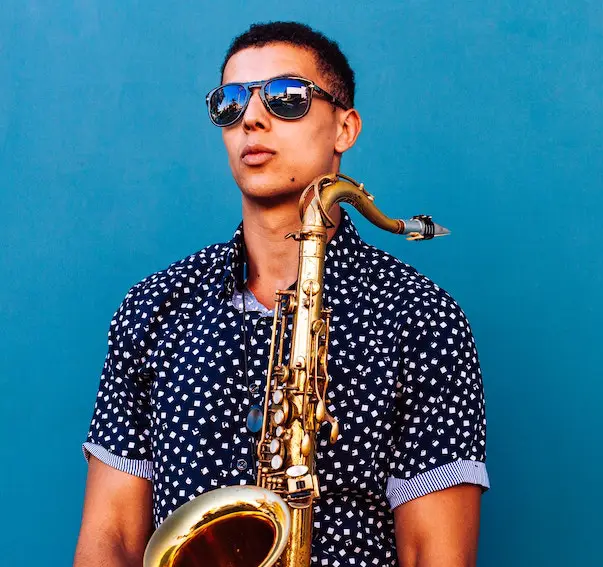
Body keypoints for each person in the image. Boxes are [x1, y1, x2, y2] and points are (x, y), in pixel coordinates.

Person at [74, 21, 488, 567]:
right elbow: (113, 540)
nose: (252, 117)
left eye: (287, 98)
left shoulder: (422, 318)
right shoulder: (154, 307)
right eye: (230, 103)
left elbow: (431, 554)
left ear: (345, 128)